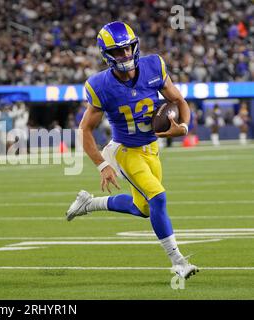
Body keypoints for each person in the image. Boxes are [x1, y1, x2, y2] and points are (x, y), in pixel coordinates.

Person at [65, 21, 198, 279]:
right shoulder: (100, 85)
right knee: (158, 198)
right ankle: (178, 261)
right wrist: (102, 165)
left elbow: (178, 100)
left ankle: (89, 204)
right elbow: (84, 130)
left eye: (128, 48)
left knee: (144, 209)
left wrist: (183, 126)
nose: (125, 55)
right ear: (107, 55)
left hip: (151, 148)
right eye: (118, 51)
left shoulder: (153, 66)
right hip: (125, 150)